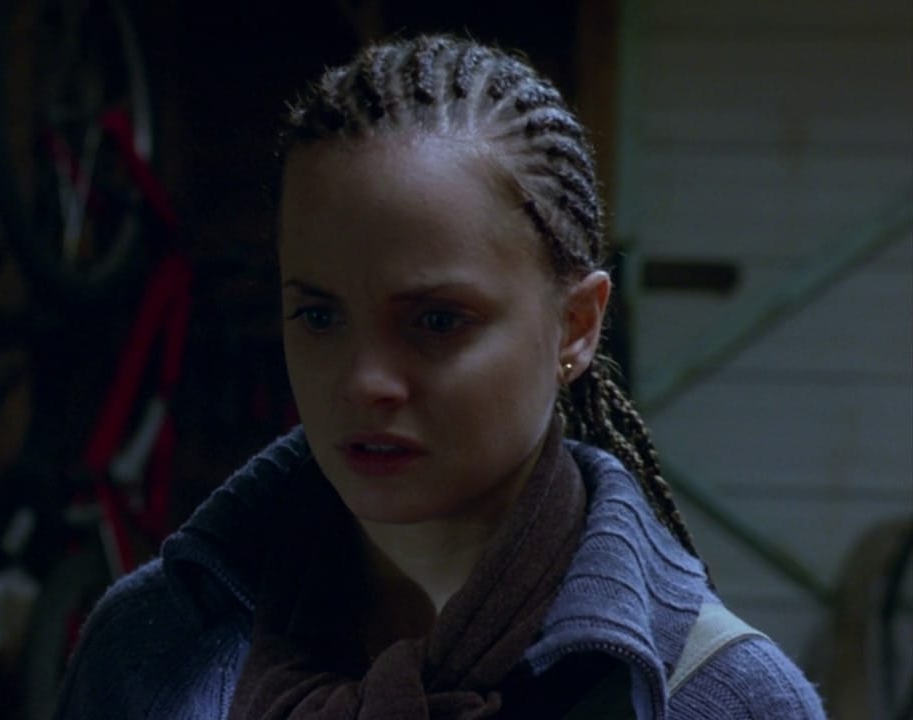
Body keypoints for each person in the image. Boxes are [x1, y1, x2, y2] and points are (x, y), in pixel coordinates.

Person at [53, 34, 826, 719]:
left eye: (436, 322)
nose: (365, 382)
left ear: (576, 326)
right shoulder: (150, 652)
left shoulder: (719, 698)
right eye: (319, 316)